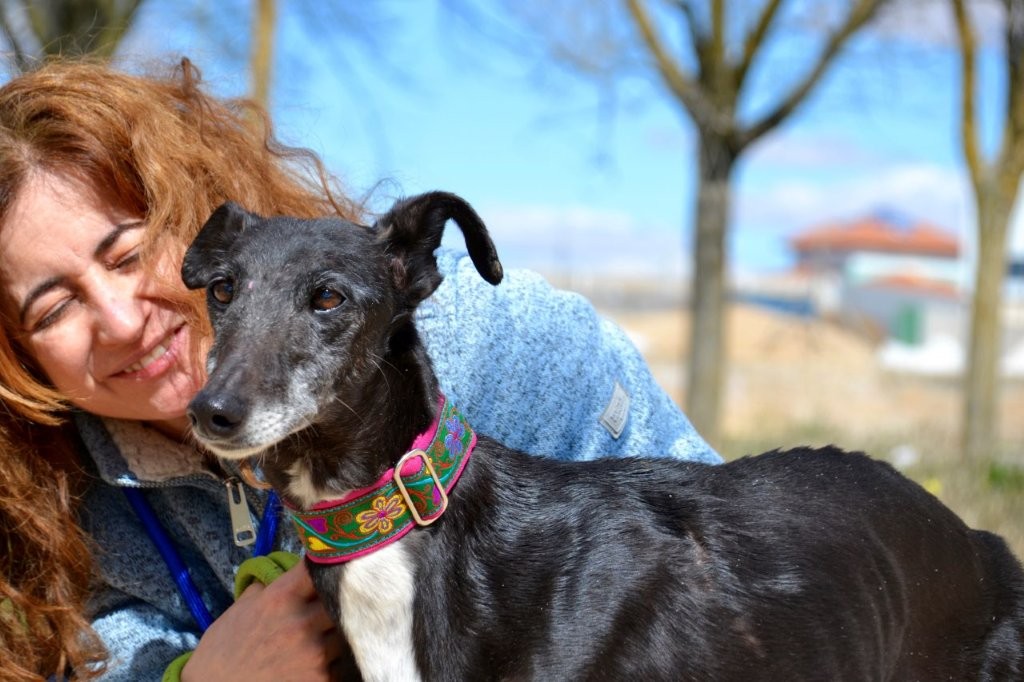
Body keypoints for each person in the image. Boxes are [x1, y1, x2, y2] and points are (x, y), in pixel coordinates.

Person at [0, 56, 719, 681]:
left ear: (200, 216)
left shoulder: (499, 344)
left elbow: (730, 567)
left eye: (127, 255)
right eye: (52, 309)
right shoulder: (74, 504)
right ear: (20, 356)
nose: (123, 321)